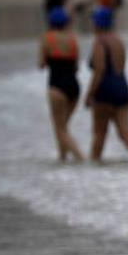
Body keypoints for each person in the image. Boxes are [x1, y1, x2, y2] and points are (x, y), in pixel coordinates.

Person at [86, 7, 128, 162]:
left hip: (105, 89)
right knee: (125, 133)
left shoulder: (99, 42)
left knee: (99, 134)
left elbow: (99, 71)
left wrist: (89, 95)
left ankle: (92, 168)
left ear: (98, 23)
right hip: (122, 87)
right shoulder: (119, 41)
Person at [38, 8, 85, 163]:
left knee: (60, 129)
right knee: (63, 127)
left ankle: (81, 158)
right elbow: (76, 67)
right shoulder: (72, 39)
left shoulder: (48, 38)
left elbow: (41, 64)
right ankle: (62, 159)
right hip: (74, 87)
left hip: (57, 87)